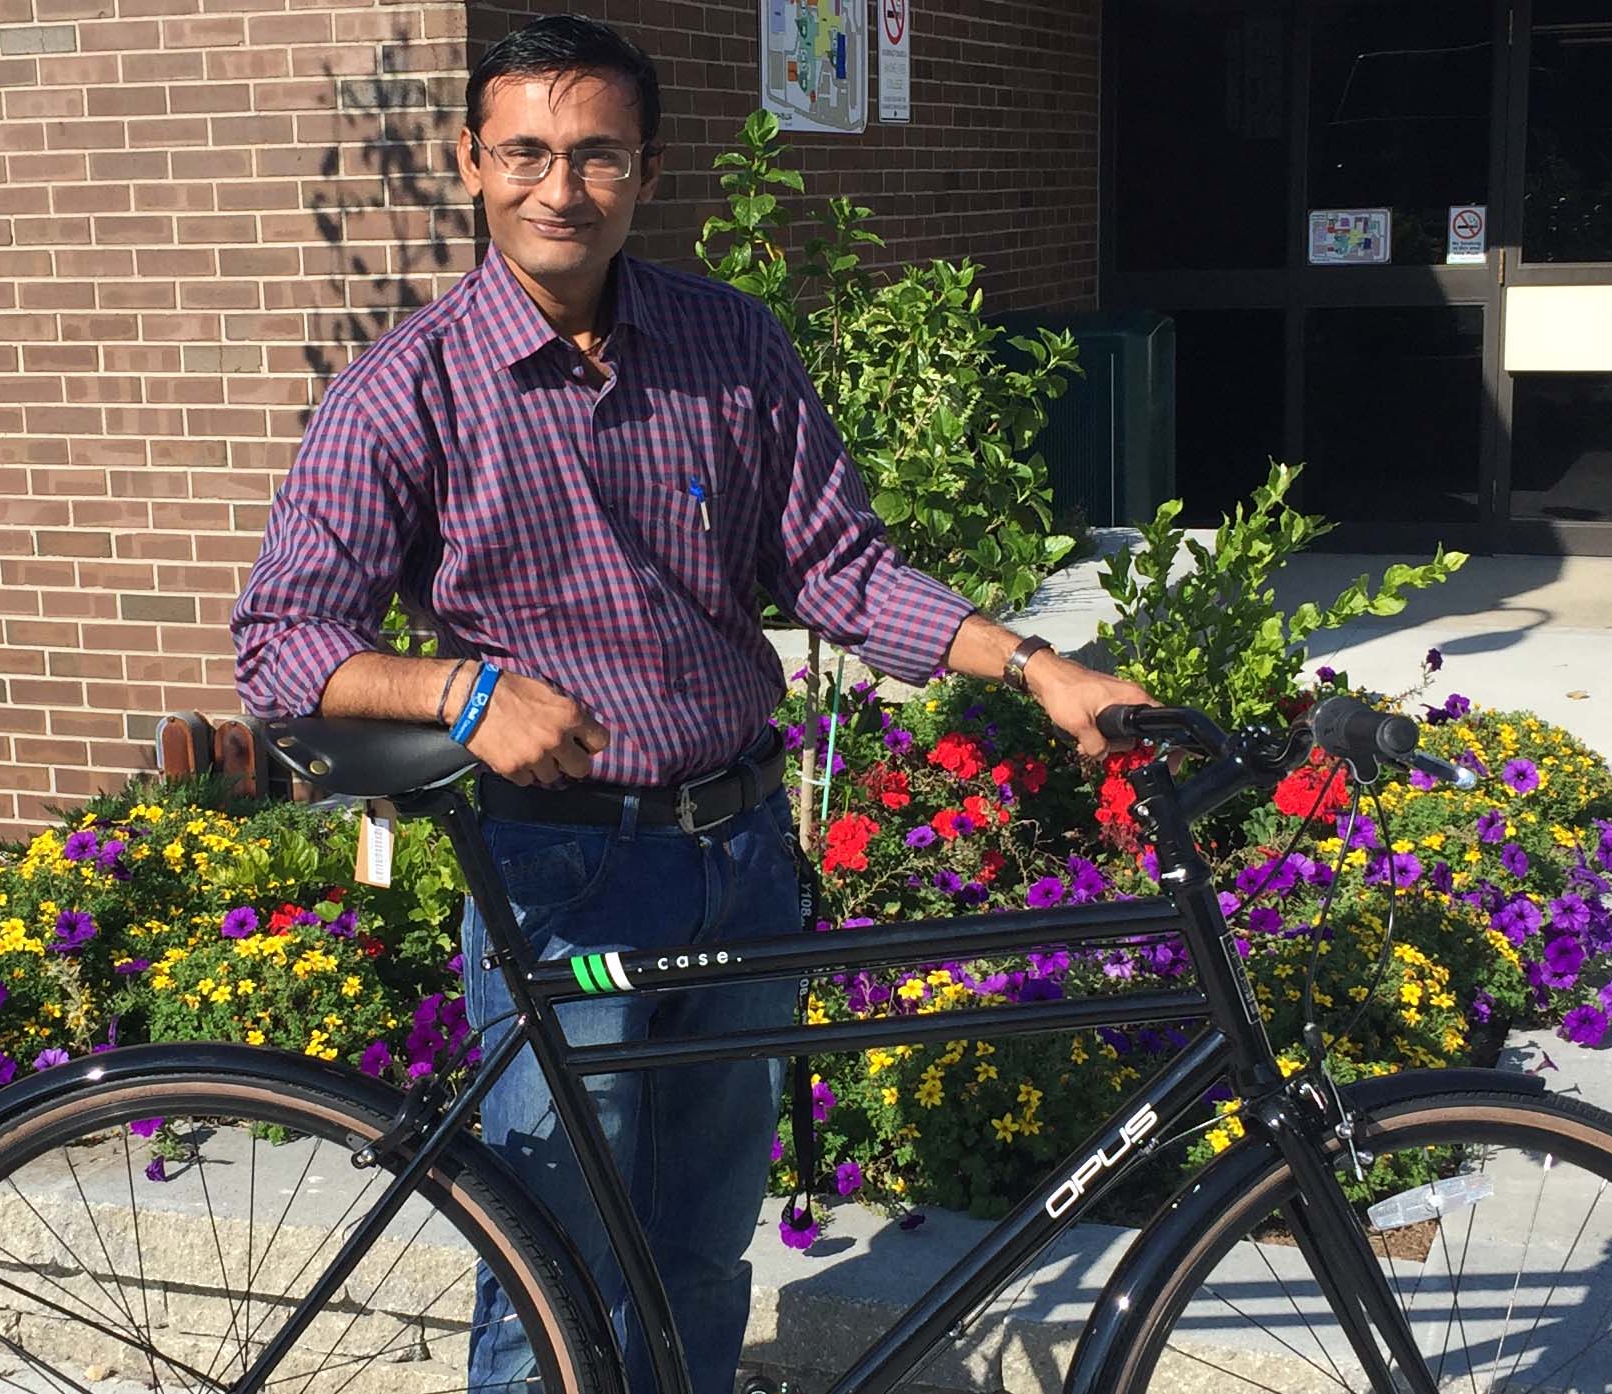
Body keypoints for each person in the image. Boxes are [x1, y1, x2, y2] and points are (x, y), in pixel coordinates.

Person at [228, 17, 1151, 1394]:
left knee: (708, 1248)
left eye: (596, 153)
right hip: (560, 866)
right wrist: (462, 689)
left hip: (738, 858)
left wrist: (1036, 665)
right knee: (558, 1262)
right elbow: (281, 639)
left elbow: (838, 567)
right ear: (474, 164)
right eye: (527, 152)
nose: (561, 187)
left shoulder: (728, 347)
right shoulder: (406, 392)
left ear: (646, 171)